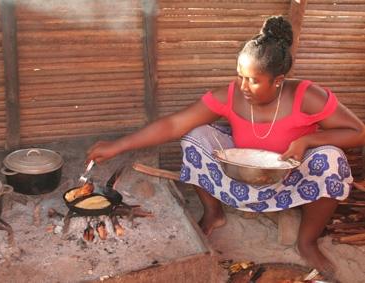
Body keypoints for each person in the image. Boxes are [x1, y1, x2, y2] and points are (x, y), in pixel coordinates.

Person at [86, 16, 365, 275]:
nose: (243, 86)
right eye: (240, 75)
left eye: (253, 80)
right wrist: (118, 145)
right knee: (195, 136)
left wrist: (309, 139)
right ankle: (214, 213)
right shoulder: (232, 95)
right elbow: (174, 125)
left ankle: (307, 242)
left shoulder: (307, 95)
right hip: (240, 178)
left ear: (278, 81)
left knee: (331, 161)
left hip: (292, 176)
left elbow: (358, 132)